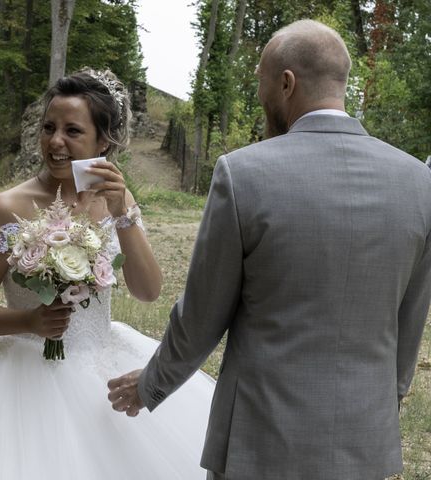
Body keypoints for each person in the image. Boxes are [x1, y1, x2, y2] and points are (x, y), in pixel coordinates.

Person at [108, 19, 431, 480]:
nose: (261, 99)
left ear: (286, 83)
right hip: (365, 440)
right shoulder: (419, 182)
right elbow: (410, 321)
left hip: (260, 440)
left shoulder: (243, 174)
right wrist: (384, 405)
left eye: (261, 83)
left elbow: (202, 316)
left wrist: (150, 384)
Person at [0, 69, 215, 479]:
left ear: (103, 141)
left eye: (72, 130)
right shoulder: (7, 207)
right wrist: (28, 320)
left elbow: (148, 291)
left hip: (100, 360)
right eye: (48, 127)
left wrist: (123, 213)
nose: (55, 141)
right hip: (21, 376)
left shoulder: (116, 200)